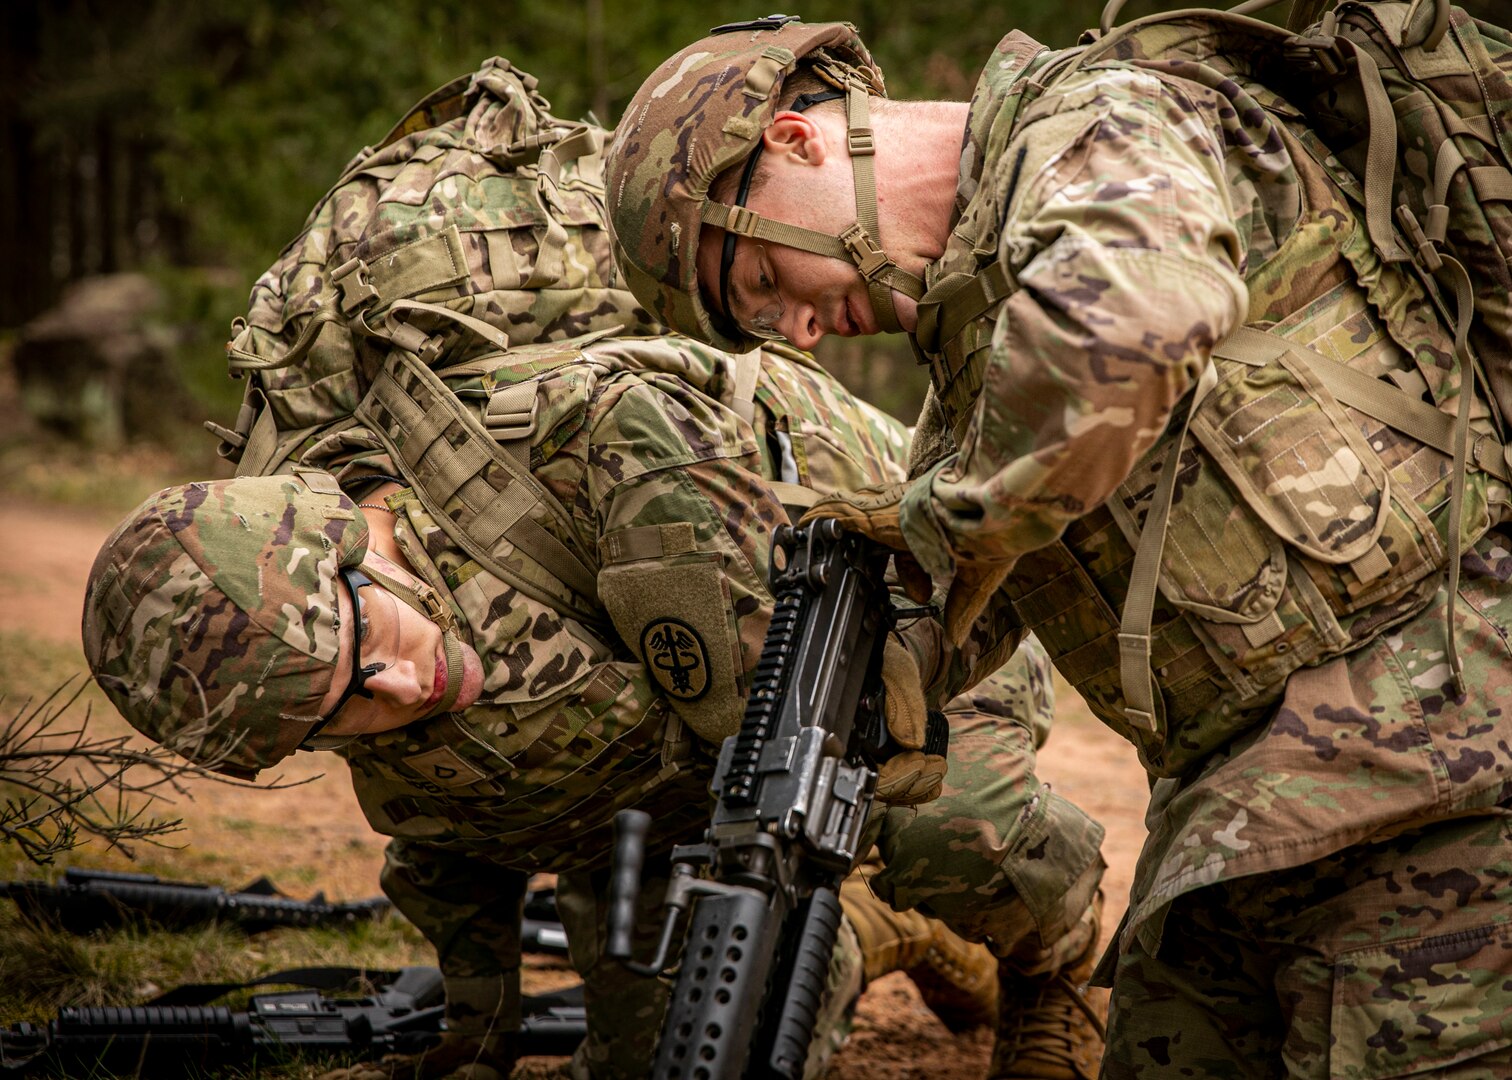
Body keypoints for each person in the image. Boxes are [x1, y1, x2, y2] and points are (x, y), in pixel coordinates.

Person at [604, 11, 1512, 1079]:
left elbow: (1133, 329)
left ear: (796, 141)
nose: (798, 334)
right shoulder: (970, 354)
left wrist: (939, 519)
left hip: (1443, 767)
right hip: (1240, 828)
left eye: (758, 282)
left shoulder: (1097, 121)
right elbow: (982, 575)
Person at [83, 330, 1106, 1079]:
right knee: (700, 1043)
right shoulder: (351, 686)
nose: (395, 689)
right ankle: (883, 929)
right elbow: (447, 849)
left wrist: (825, 820)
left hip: (905, 633)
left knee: (947, 831)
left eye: (364, 652)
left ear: (356, 537)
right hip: (685, 797)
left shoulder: (598, 443)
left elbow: (822, 643)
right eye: (335, 715)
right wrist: (477, 1032)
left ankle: (1048, 968)